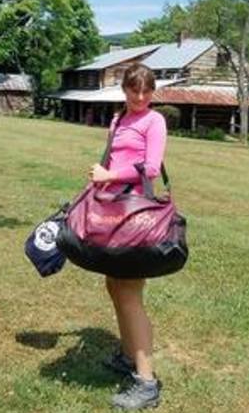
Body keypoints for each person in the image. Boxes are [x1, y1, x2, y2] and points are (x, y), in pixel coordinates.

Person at [87, 63, 167, 410]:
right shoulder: (118, 120)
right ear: (124, 89)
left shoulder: (154, 121)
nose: (140, 97)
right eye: (134, 90)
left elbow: (150, 168)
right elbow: (113, 161)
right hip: (112, 211)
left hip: (136, 213)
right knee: (113, 284)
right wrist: (100, 179)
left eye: (147, 91)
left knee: (131, 292)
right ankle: (126, 354)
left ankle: (147, 382)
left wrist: (110, 174)